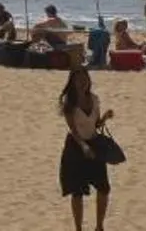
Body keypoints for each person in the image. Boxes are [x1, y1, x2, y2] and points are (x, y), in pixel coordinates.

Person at [57, 65, 111, 231]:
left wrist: (105, 118)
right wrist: (84, 147)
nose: (82, 82)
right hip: (75, 148)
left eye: (84, 79)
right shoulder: (69, 104)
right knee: (77, 191)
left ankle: (99, 227)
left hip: (94, 144)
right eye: (78, 79)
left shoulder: (94, 99)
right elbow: (73, 131)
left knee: (104, 188)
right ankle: (78, 228)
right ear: (72, 82)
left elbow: (96, 125)